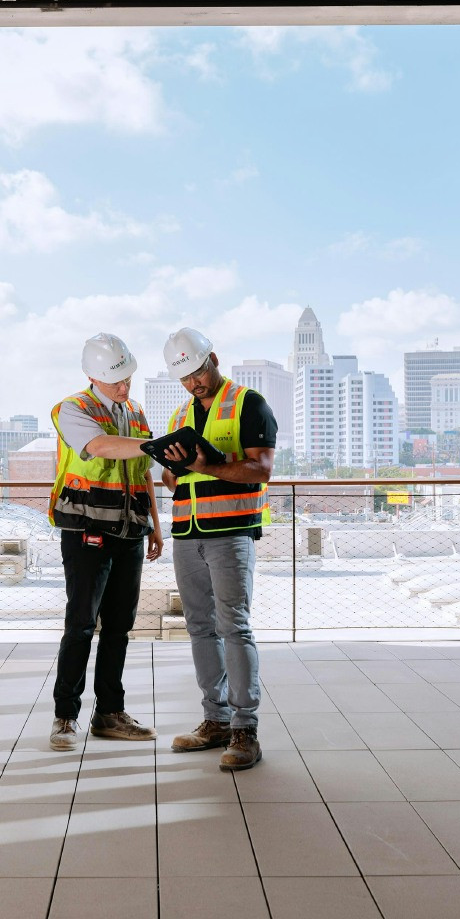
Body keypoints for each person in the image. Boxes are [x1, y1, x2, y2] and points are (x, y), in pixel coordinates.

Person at [159, 327, 276, 771]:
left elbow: (261, 470)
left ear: (213, 359)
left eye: (198, 372)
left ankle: (246, 729)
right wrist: (173, 466)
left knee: (235, 628)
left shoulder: (249, 403)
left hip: (231, 531)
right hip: (187, 532)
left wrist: (209, 464)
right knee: (199, 628)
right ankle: (216, 720)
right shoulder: (178, 416)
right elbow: (174, 481)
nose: (194, 383)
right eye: (185, 377)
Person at [47, 332, 165, 752]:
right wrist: (156, 445)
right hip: (86, 532)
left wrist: (154, 523)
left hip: (130, 532)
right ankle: (65, 717)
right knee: (80, 626)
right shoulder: (73, 409)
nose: (123, 386)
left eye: (127, 377)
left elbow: (144, 470)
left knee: (119, 628)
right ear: (91, 375)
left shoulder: (133, 411)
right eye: (115, 380)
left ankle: (109, 714)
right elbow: (99, 446)